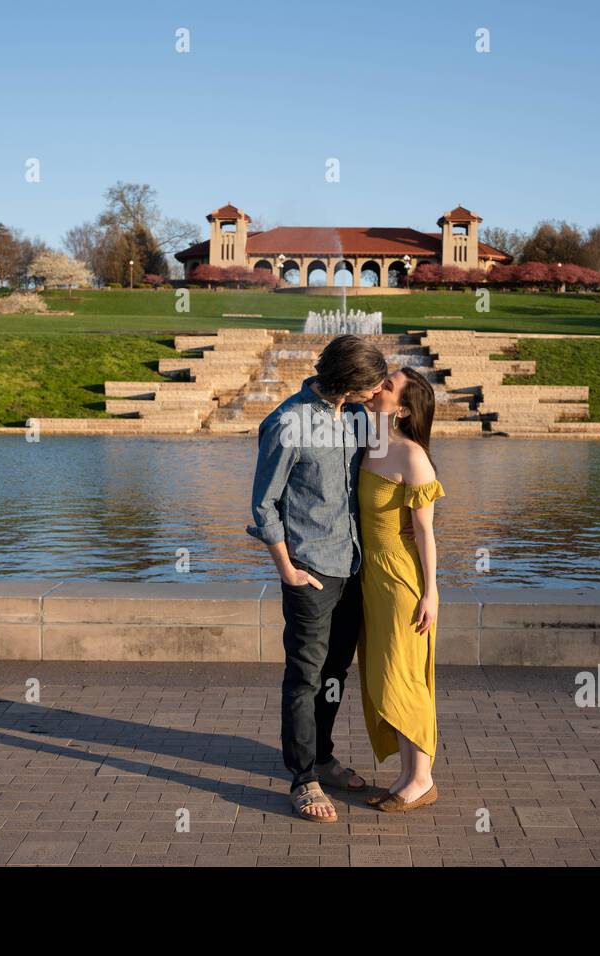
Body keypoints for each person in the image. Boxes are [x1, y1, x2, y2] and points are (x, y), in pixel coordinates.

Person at [246, 334, 388, 823]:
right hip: (310, 571)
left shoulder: (356, 415)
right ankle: (303, 777)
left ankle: (323, 756)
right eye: (371, 384)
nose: (377, 391)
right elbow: (264, 505)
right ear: (348, 382)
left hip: (352, 566)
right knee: (304, 676)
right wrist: (287, 570)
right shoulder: (288, 423)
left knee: (334, 672)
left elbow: (387, 462)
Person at [356, 366, 443, 812]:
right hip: (371, 576)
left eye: (386, 385)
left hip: (401, 581)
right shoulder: (372, 440)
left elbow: (425, 533)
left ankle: (423, 779)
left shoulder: (412, 457)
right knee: (384, 672)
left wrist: (431, 593)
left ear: (404, 407)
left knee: (404, 675)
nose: (378, 386)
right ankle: (408, 775)